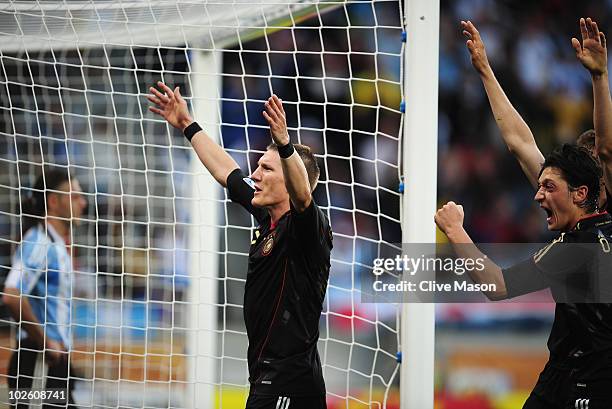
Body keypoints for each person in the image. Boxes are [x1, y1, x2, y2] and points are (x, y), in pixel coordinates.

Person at [147, 82, 332, 409]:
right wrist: (187, 124)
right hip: (269, 376)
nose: (255, 174)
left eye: (266, 169)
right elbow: (227, 172)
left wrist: (286, 145)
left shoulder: (306, 229)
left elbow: (304, 197)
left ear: (289, 179)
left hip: (288, 381)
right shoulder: (267, 217)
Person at [435, 144, 612, 408]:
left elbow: (497, 285)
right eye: (540, 186)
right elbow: (521, 143)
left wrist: (454, 230)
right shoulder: (604, 230)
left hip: (583, 383)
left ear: (580, 194)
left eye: (549, 187)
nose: (537, 195)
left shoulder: (575, 246)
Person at [461, 18, 612, 207]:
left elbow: (606, 147)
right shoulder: (566, 203)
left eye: (595, 161)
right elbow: (520, 143)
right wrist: (484, 69)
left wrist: (599, 76)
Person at [3, 167, 87, 408]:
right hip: (37, 363)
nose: (82, 203)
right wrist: (46, 341)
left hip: (53, 363)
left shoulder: (57, 244)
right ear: (53, 201)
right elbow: (11, 295)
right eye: (74, 196)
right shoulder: (40, 241)